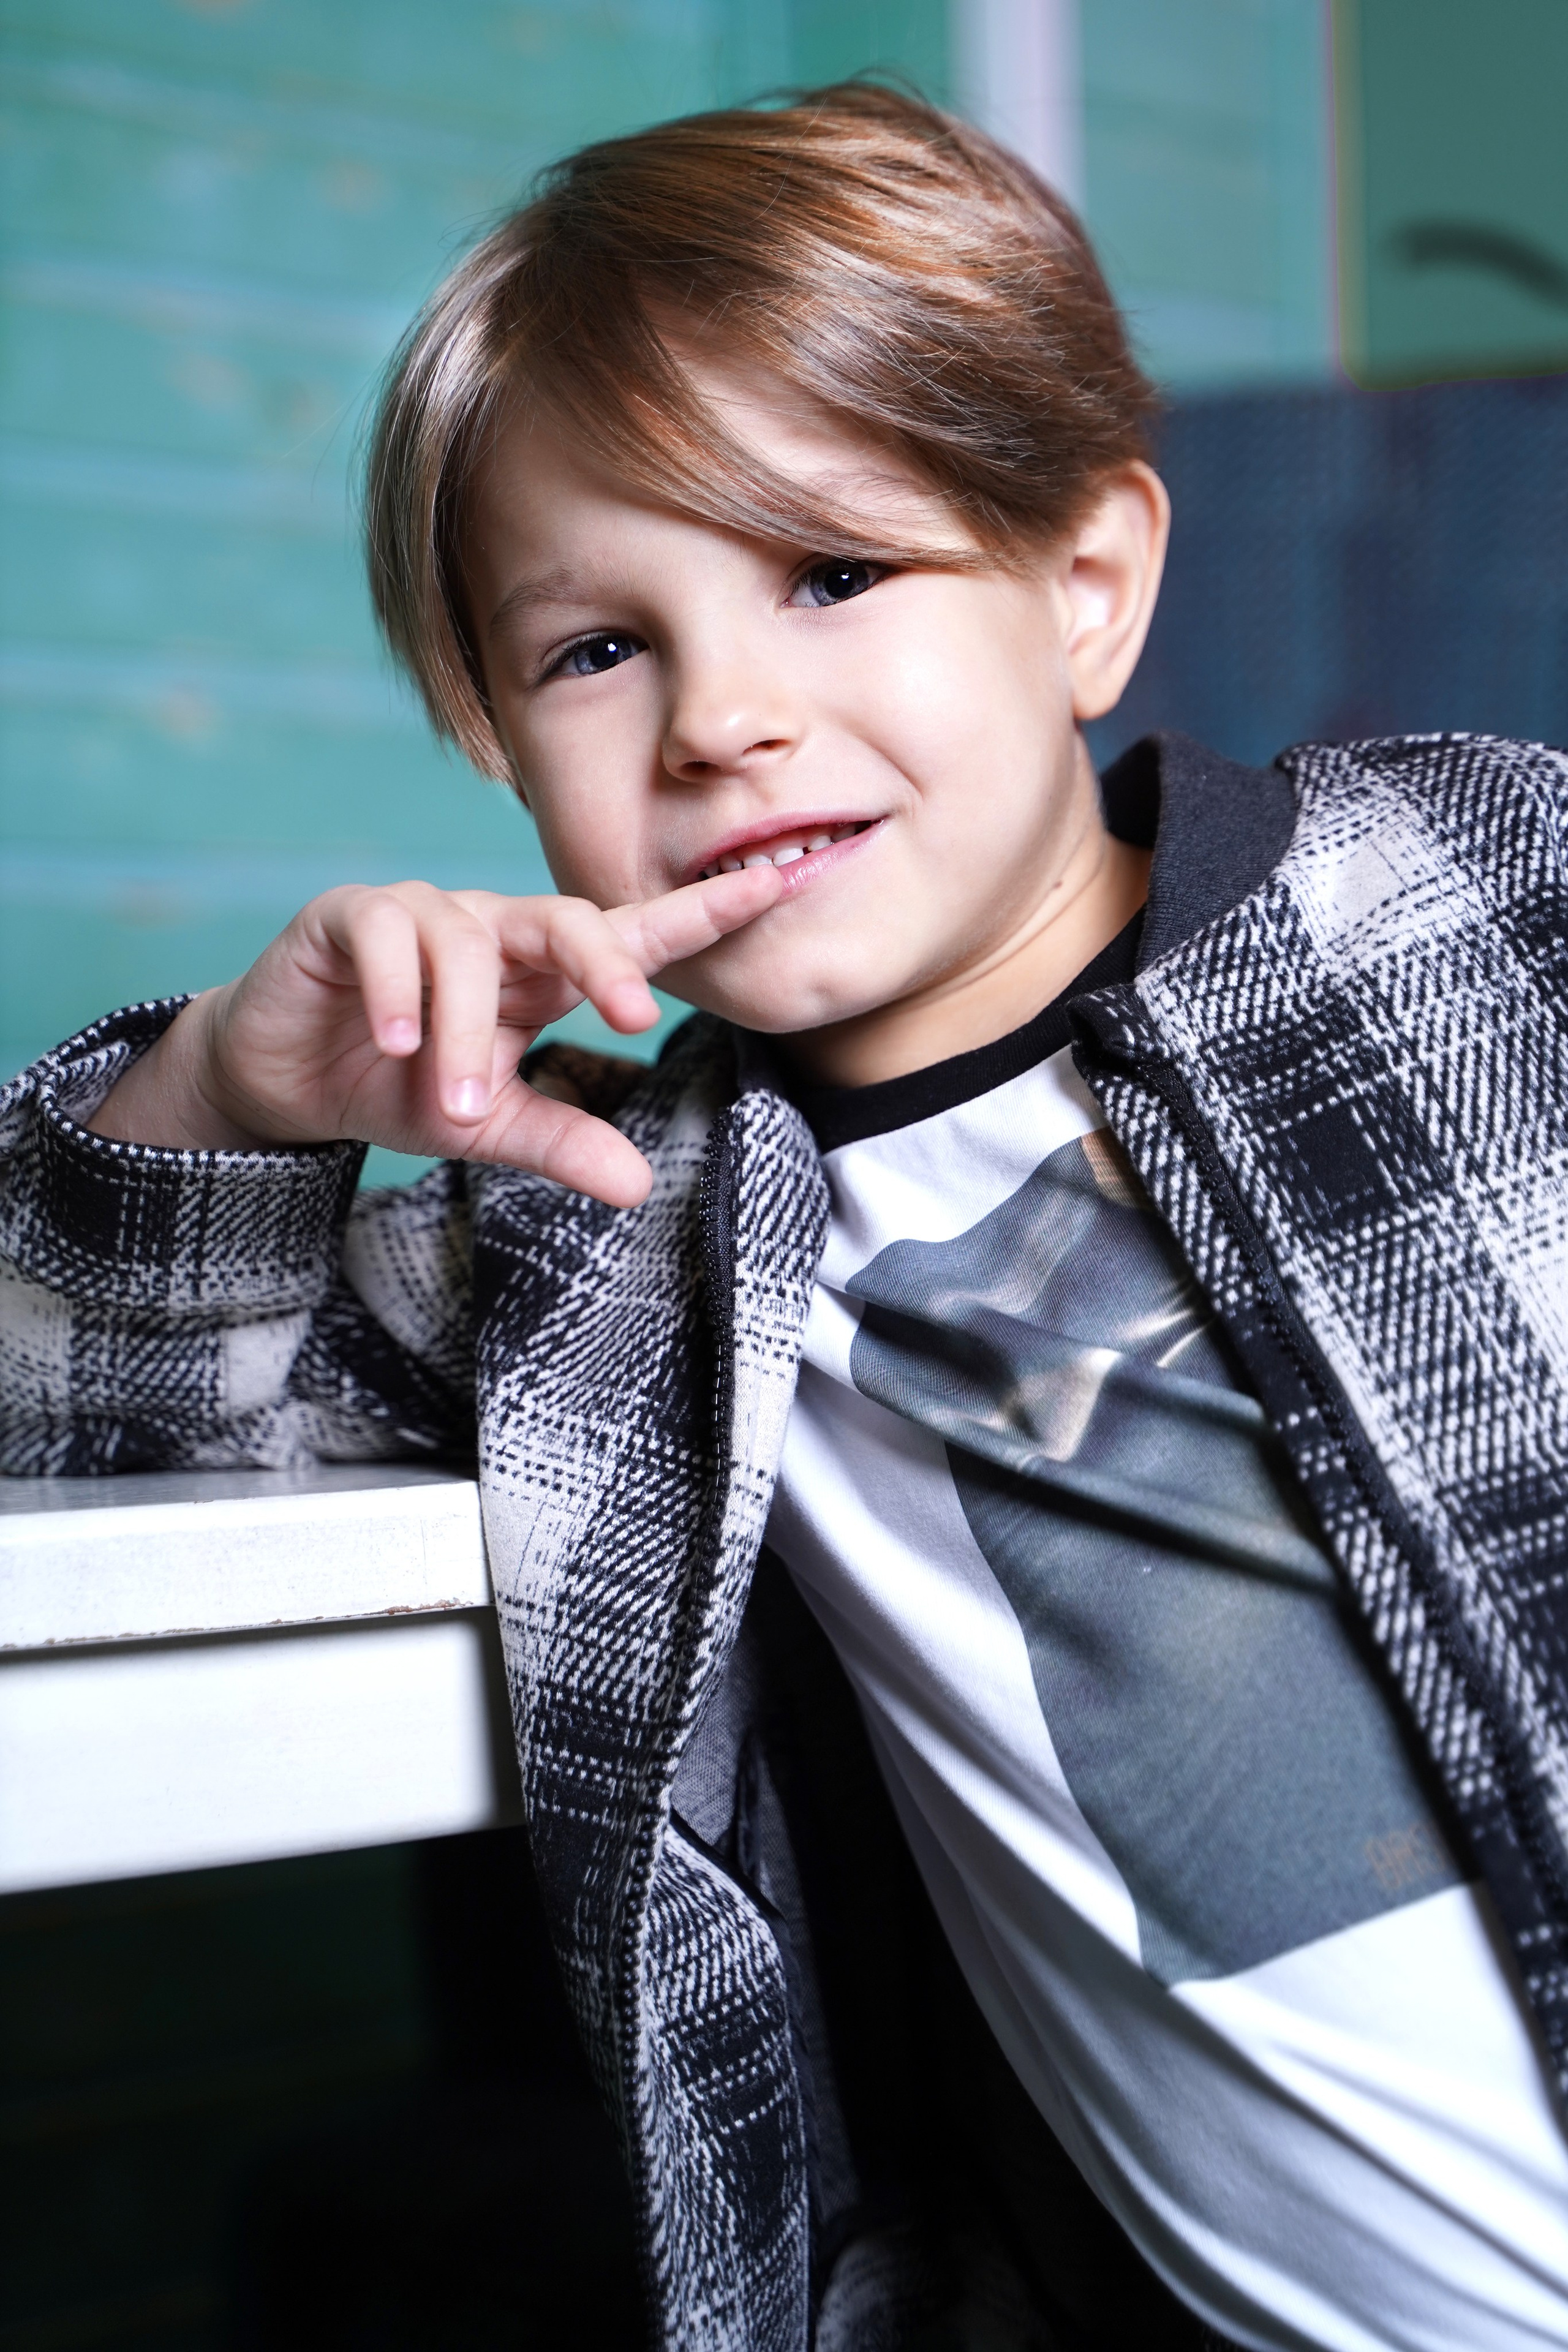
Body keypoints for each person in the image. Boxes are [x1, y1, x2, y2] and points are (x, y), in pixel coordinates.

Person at [2, 82, 1566, 2352]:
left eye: (831, 575)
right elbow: (78, 1426)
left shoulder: (1489, 891)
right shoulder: (594, 1238)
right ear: (500, 745)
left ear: (1085, 589)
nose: (725, 714)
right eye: (592, 649)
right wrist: (230, 1098)